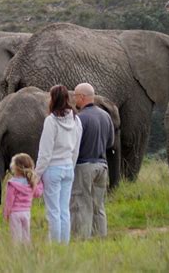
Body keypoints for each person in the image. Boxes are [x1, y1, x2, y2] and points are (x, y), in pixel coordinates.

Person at [36, 85, 83, 244]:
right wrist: (71, 166)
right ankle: (64, 245)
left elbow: (45, 153)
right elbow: (76, 149)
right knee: (64, 211)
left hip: (52, 169)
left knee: (53, 212)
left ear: (53, 99)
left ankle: (55, 246)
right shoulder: (76, 120)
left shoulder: (51, 121)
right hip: (68, 168)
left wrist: (36, 175)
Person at [71, 83, 114, 239]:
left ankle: (81, 238)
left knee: (81, 204)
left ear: (82, 97)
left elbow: (74, 145)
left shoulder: (80, 118)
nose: (74, 99)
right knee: (98, 205)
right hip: (102, 166)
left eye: (75, 96)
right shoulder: (106, 116)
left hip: (83, 166)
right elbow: (110, 143)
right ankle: (100, 237)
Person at [3, 153, 43, 244]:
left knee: (16, 237)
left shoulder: (12, 183)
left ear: (16, 168)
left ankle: (16, 253)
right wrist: (40, 183)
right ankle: (26, 252)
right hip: (26, 212)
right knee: (26, 235)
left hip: (15, 213)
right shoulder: (31, 183)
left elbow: (9, 201)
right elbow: (37, 193)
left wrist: (6, 213)